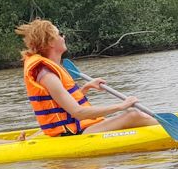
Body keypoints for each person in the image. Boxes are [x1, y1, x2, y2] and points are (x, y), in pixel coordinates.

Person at [16, 19, 156, 137]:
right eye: (60, 34)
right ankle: (172, 132)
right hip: (72, 134)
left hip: (77, 127)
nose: (63, 37)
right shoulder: (48, 76)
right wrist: (122, 106)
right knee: (133, 115)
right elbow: (78, 112)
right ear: (51, 42)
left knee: (133, 115)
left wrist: (86, 88)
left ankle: (162, 127)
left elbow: (62, 104)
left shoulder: (49, 72)